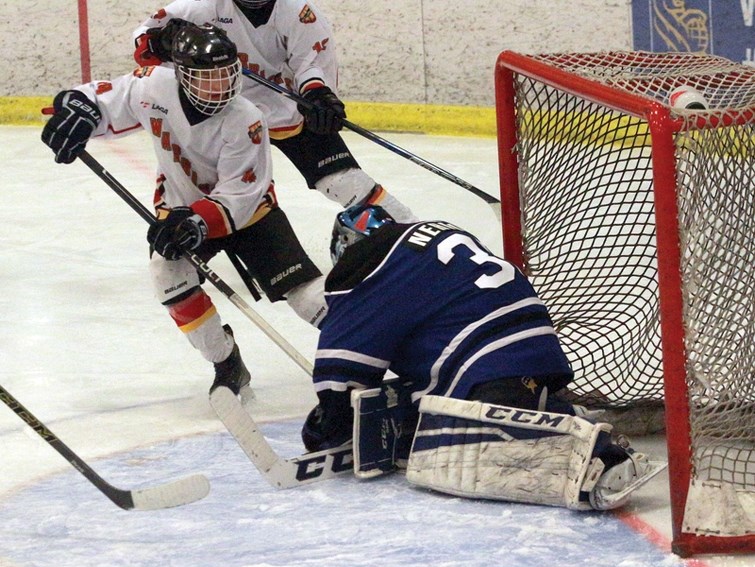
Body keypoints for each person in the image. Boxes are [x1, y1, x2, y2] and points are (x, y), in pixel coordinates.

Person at [301, 204, 663, 511]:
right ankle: (548, 409)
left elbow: (341, 378)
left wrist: (326, 426)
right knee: (430, 413)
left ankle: (600, 452)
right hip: (535, 345)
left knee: (453, 450)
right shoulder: (425, 238)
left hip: (487, 360)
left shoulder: (364, 267)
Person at [41, 23, 327, 397]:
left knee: (308, 298)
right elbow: (96, 98)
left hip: (251, 216)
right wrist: (76, 113)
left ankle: (367, 349)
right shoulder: (153, 86)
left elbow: (241, 194)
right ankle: (227, 362)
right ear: (182, 74)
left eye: (227, 75)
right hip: (178, 211)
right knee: (169, 279)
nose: (221, 86)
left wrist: (197, 222)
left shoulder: (246, 117)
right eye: (208, 78)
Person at [132, 0, 418, 222]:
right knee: (199, 190)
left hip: (286, 108)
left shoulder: (299, 12)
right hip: (221, 113)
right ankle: (196, 236)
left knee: (342, 180)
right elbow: (143, 39)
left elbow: (309, 65)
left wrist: (318, 96)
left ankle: (407, 230)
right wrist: (160, 41)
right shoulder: (200, 6)